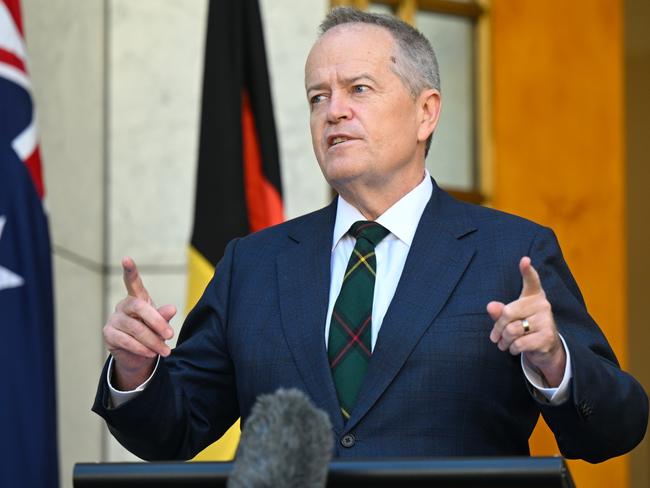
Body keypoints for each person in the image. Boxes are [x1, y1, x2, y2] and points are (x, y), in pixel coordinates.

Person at [93, 8, 647, 462]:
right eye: (317, 97)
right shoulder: (252, 265)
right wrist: (136, 373)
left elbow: (615, 429)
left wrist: (555, 362)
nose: (334, 112)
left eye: (358, 89)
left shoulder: (510, 254)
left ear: (426, 112)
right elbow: (175, 430)